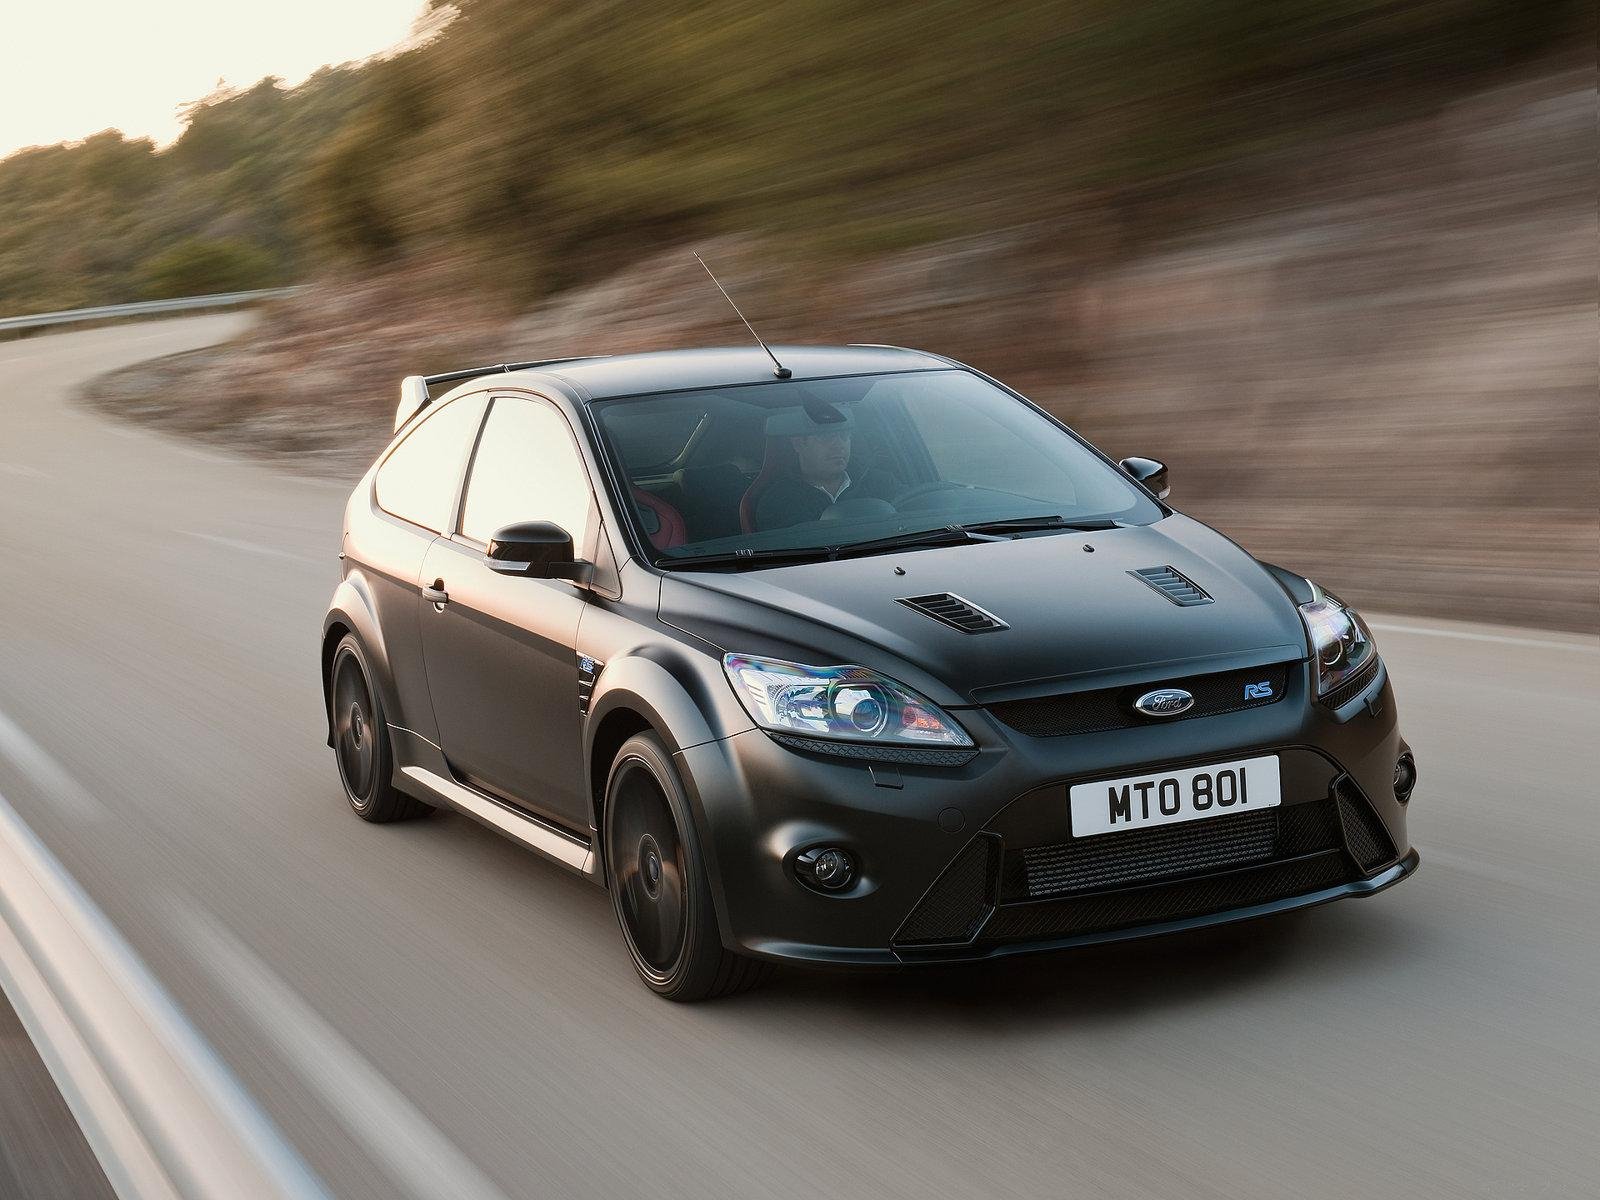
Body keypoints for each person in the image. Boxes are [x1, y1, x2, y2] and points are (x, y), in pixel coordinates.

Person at [753, 407, 897, 531]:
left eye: (844, 436)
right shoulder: (778, 501)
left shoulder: (880, 482)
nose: (839, 445)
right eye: (826, 437)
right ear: (798, 444)